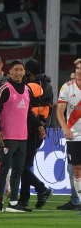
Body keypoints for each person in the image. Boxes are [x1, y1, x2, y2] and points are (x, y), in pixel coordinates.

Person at [0, 59, 45, 212]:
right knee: (3, 170)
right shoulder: (5, 88)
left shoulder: (28, 90)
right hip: (7, 137)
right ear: (10, 72)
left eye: (21, 69)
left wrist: (40, 125)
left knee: (18, 171)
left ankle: (13, 203)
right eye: (15, 69)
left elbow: (28, 113)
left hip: (23, 138)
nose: (19, 72)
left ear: (24, 72)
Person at [18, 59, 53, 209]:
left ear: (27, 71)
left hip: (29, 130)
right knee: (25, 165)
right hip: (41, 128)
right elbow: (48, 107)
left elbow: (24, 109)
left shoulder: (29, 87)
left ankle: (41, 189)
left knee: (19, 166)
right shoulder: (48, 85)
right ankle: (24, 200)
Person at [57, 58, 81, 216]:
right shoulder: (67, 87)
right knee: (77, 171)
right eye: (77, 68)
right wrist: (65, 127)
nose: (79, 71)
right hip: (75, 136)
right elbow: (59, 111)